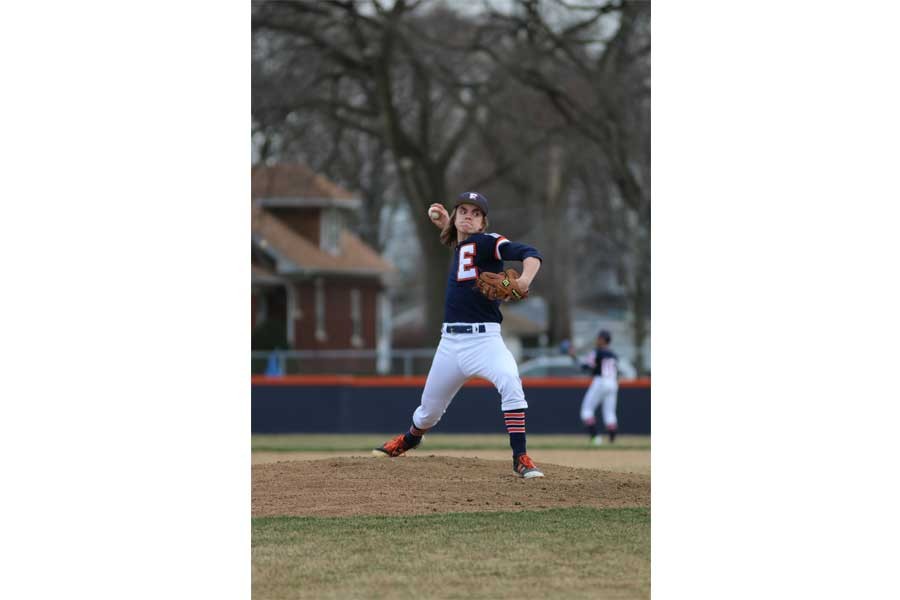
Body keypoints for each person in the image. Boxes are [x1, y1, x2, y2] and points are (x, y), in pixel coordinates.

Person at [373, 191, 545, 478]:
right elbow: (464, 246)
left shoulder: (490, 242)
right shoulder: (462, 244)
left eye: (475, 213)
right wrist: (445, 224)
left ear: (483, 222)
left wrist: (525, 279)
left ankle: (521, 457)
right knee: (428, 412)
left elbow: (531, 254)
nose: (468, 215)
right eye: (463, 210)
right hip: (450, 343)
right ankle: (410, 439)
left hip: (485, 341)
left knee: (510, 383)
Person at [579, 329, 620, 445]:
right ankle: (612, 441)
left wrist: (573, 357)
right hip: (613, 383)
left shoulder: (597, 352)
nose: (597, 340)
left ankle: (595, 438)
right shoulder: (613, 354)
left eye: (598, 338)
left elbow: (586, 366)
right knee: (610, 413)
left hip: (600, 381)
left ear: (602, 340)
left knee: (586, 411)